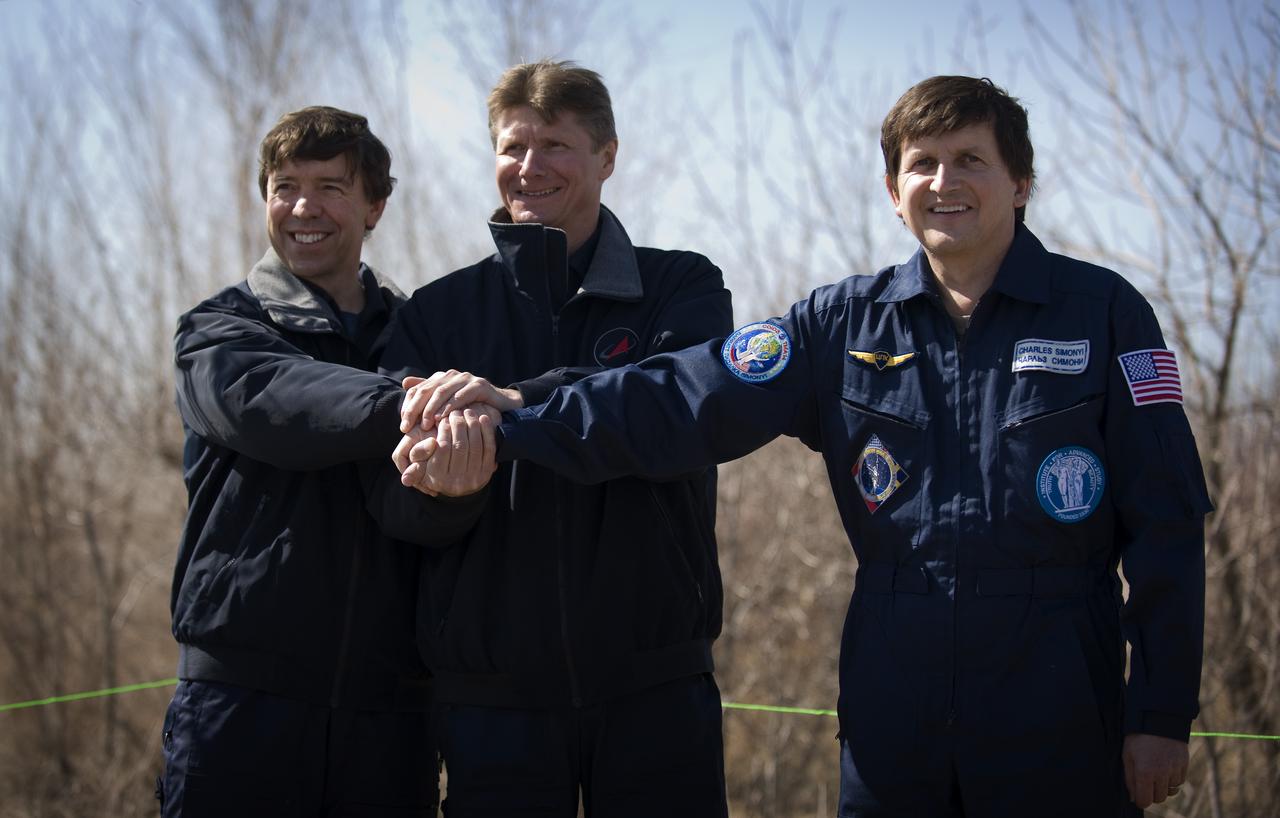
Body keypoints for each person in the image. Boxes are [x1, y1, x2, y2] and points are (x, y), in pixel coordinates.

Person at [416, 76, 1212, 816]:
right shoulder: (844, 324)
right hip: (893, 711)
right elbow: (684, 396)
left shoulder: (1104, 312)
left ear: (1020, 183)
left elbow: (1167, 524)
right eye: (920, 165)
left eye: (971, 160)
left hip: (1058, 706)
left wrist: (1161, 713)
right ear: (894, 196)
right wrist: (522, 409)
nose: (943, 182)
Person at [376, 60, 734, 818]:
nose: (529, 167)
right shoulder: (435, 315)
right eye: (512, 147)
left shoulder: (682, 288)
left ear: (607, 157)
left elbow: (676, 411)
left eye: (556, 145)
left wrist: (514, 403)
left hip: (656, 688)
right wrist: (447, 492)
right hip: (492, 702)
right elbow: (395, 505)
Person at [159, 106, 493, 817]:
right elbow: (274, 401)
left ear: (374, 206)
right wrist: (409, 404)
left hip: (392, 715)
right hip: (241, 699)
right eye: (285, 187)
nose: (303, 208)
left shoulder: (422, 335)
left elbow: (420, 514)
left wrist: (455, 488)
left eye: (331, 188)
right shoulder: (220, 329)